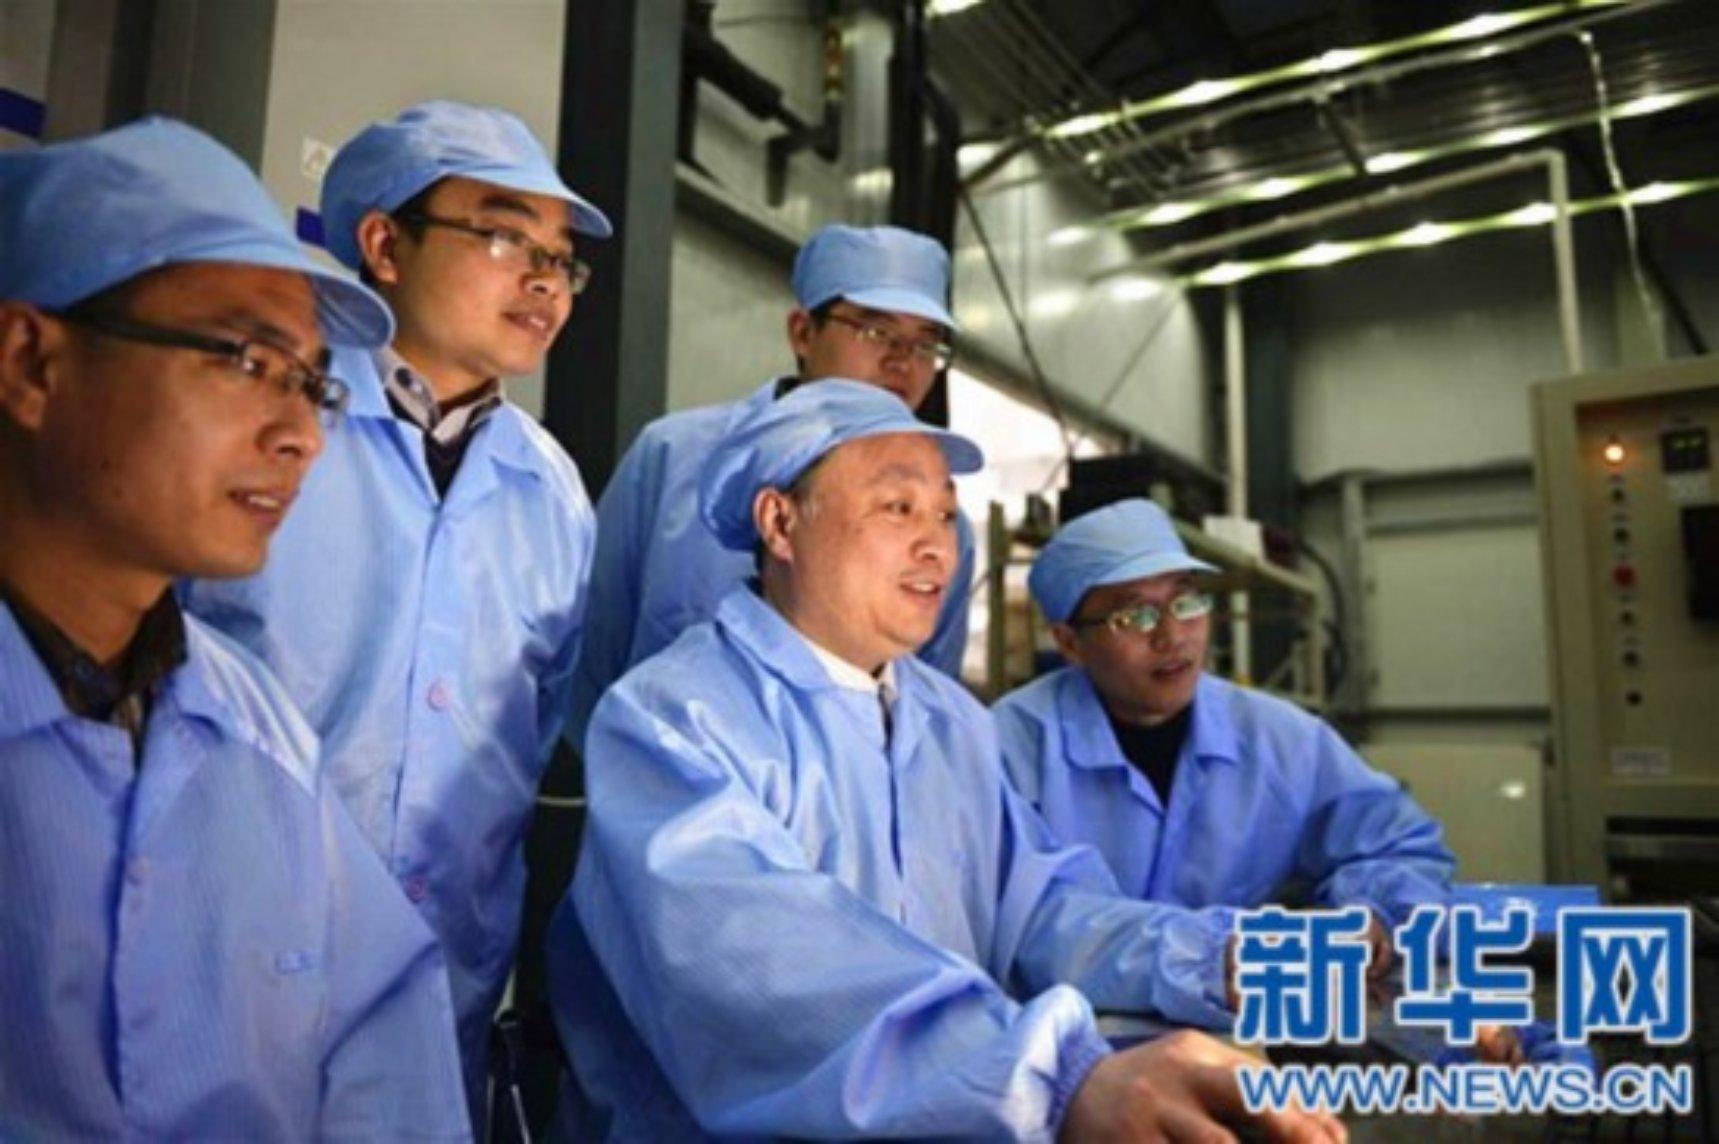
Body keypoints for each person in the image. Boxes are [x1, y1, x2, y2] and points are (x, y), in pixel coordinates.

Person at [547, 381, 1346, 1142]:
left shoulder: (948, 720)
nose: (937, 543)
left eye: (944, 511)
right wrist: (1055, 1081)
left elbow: (1038, 910)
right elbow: (770, 972)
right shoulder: (673, 717)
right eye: (897, 507)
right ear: (779, 523)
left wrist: (1218, 958)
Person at [0, 117, 468, 1139]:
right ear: (31, 363)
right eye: (245, 360)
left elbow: (385, 1057)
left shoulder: (257, 730)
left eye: (311, 383)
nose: (300, 436)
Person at [180, 100, 610, 1116]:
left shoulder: (553, 492)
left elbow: (534, 727)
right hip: (214, 956)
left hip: (443, 980)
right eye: (505, 236)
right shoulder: (266, 426)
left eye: (561, 260)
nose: (545, 280)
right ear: (383, 244)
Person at [994, 499, 1463, 1013]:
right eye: (1135, 616)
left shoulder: (1281, 740)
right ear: (1069, 643)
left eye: (1185, 603)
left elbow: (1403, 848)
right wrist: (1211, 958)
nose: (1172, 636)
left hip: (1240, 1030)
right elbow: (1024, 922)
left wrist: (1372, 914)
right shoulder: (1008, 748)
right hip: (1062, 1042)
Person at [567, 224, 976, 744]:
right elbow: (589, 651)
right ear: (803, 333)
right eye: (876, 331)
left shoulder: (943, 530)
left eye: (925, 343)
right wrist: (630, 764)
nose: (902, 361)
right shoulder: (675, 457)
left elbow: (927, 708)